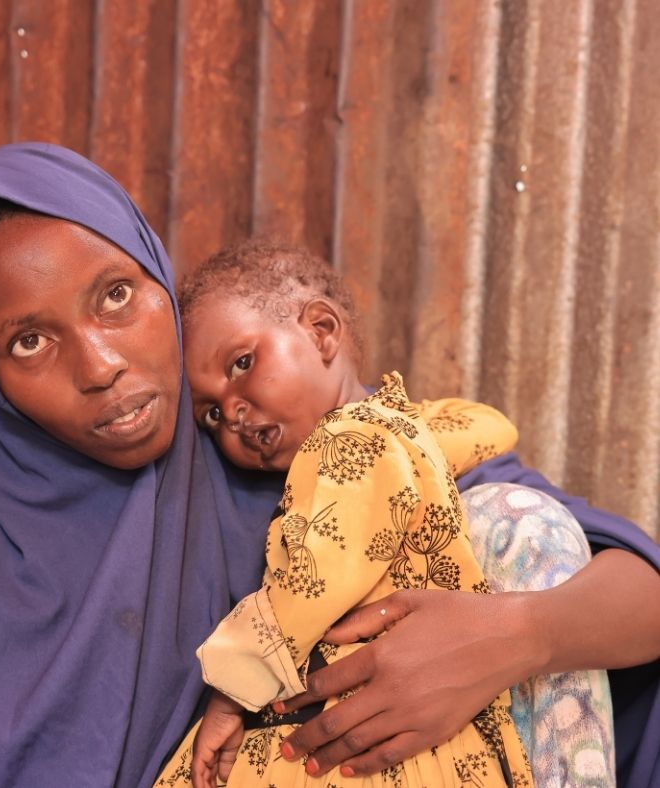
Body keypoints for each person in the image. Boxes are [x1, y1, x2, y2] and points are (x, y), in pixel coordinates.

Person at [0, 143, 660, 788]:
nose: (100, 363)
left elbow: (636, 592)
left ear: (157, 276)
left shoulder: (275, 457)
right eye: (28, 342)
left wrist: (507, 641)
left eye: (116, 296)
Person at [155, 241, 540, 786]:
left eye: (242, 364)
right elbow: (488, 425)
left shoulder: (349, 439)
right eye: (211, 413)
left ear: (321, 330)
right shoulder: (404, 435)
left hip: (353, 729)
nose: (233, 414)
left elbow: (312, 583)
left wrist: (228, 694)